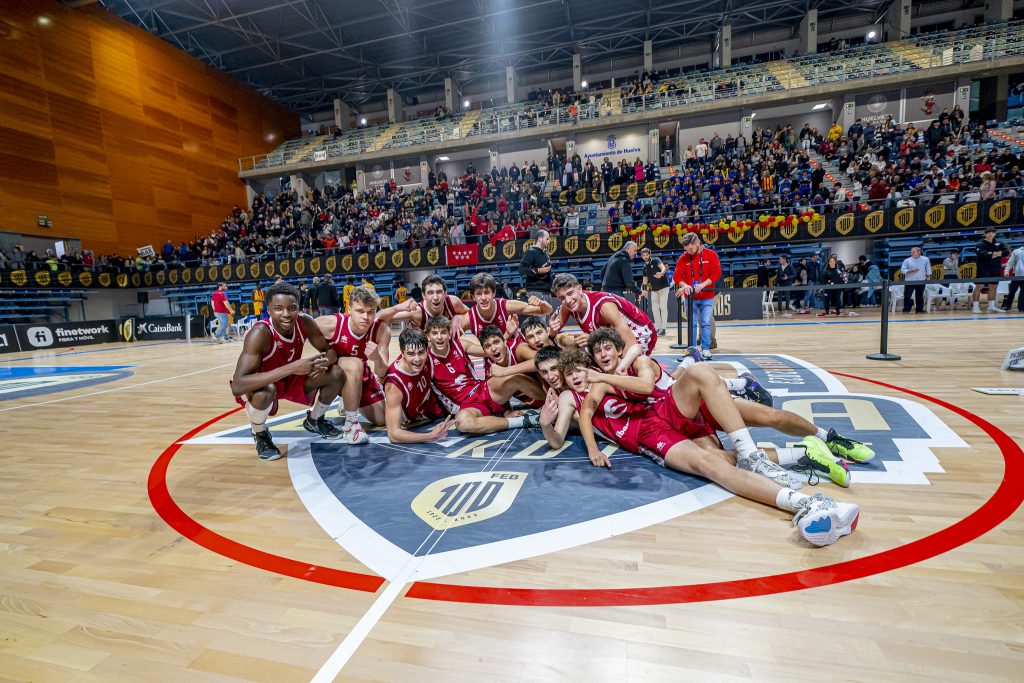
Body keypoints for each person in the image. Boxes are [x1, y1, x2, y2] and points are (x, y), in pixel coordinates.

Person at [551, 348, 860, 547]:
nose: (578, 376)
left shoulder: (622, 370)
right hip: (652, 430)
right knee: (714, 463)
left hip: (672, 405)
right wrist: (576, 440)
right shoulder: (580, 395)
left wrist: (603, 371)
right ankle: (806, 495)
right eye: (570, 374)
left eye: (581, 369)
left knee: (766, 413)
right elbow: (584, 414)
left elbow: (643, 380)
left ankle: (821, 438)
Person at [229, 282, 345, 460]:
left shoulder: (305, 322)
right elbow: (237, 385)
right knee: (265, 392)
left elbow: (329, 351)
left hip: (292, 379)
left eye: (292, 308)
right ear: (268, 309)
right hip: (262, 385)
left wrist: (325, 361)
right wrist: (293, 367)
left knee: (336, 373)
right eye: (278, 308)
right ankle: (260, 434)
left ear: (298, 307)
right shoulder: (260, 333)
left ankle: (315, 420)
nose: (286, 314)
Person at [424, 315, 544, 434]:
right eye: (434, 333)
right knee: (462, 424)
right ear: (428, 336)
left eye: (443, 332)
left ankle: (555, 401)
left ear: (449, 334)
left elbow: (488, 350)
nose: (439, 337)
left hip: (482, 389)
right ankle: (523, 421)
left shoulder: (460, 344)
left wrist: (506, 334)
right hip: (466, 405)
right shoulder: (424, 358)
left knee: (514, 378)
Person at [316, 285, 391, 443]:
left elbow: (383, 372)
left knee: (383, 419)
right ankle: (351, 424)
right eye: (360, 311)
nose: (366, 317)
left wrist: (376, 358)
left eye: (371, 312)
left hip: (359, 376)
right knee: (355, 363)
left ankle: (348, 398)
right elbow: (297, 334)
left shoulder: (381, 330)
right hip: (332, 375)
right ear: (349, 309)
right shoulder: (329, 324)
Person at [550, 273, 657, 366]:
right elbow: (552, 335)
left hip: (640, 333)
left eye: (570, 293)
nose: (568, 300)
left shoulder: (604, 306)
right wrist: (553, 329)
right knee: (562, 339)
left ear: (579, 289)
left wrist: (619, 368)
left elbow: (631, 343)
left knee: (624, 365)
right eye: (562, 297)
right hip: (610, 336)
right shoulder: (567, 306)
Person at [383, 328, 453, 444]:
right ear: (402, 353)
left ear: (426, 349)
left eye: (421, 352)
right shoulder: (394, 385)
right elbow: (394, 434)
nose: (417, 359)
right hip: (416, 419)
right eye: (410, 354)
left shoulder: (424, 353)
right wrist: (430, 436)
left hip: (434, 408)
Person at [672, 233, 719, 359]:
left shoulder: (711, 254)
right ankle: (692, 349)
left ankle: (706, 349)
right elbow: (676, 277)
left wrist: (703, 285)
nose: (689, 252)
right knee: (691, 324)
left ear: (697, 243)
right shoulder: (683, 258)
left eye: (690, 249)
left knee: (705, 322)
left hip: (707, 296)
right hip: (691, 298)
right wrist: (684, 285)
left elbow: (716, 274)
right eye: (686, 250)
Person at [462, 273, 552, 337]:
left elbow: (546, 310)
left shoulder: (506, 306)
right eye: (478, 294)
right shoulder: (470, 317)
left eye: (487, 292)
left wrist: (541, 303)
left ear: (494, 293)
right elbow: (451, 339)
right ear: (473, 297)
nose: (483, 297)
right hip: (492, 358)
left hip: (515, 351)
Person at [388, 274, 470, 334]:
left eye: (439, 292)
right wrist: (397, 308)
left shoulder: (453, 302)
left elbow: (473, 314)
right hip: (422, 353)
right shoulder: (416, 311)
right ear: (423, 295)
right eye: (430, 293)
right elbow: (379, 318)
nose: (435, 297)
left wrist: (458, 317)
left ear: (445, 293)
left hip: (449, 348)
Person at [973, 228, 1009, 313]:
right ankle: (975, 307)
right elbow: (983, 255)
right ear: (985, 234)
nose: (991, 234)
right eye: (988, 233)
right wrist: (998, 253)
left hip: (995, 268)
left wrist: (992, 253)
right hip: (983, 268)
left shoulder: (1000, 243)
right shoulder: (980, 244)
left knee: (993, 287)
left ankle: (991, 306)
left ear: (995, 234)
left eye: (993, 232)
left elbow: (1006, 252)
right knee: (979, 287)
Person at [519, 229, 556, 309]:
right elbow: (522, 269)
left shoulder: (545, 253)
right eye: (547, 239)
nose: (549, 241)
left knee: (546, 319)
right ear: (540, 239)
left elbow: (548, 272)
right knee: (540, 319)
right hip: (536, 291)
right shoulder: (531, 252)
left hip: (546, 291)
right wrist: (538, 270)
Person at [640, 247, 670, 335]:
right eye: (644, 255)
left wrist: (661, 273)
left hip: (664, 287)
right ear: (642, 256)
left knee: (663, 307)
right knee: (654, 308)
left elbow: (663, 268)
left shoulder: (656, 260)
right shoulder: (644, 268)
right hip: (654, 289)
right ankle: (658, 327)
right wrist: (644, 291)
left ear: (649, 254)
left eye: (647, 255)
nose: (645, 257)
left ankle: (663, 328)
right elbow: (645, 281)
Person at [900, 246, 930, 314]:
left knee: (920, 295)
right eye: (912, 252)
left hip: (921, 280)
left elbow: (928, 268)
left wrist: (928, 275)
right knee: (907, 295)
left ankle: (919, 310)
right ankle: (906, 309)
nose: (912, 253)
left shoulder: (925, 259)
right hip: (910, 280)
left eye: (914, 252)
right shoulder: (907, 260)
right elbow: (902, 270)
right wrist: (910, 271)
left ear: (919, 252)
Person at [1004, 244, 1024, 313]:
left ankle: (1021, 308)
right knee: (1012, 291)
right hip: (1016, 275)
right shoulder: (1016, 251)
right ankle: (1008, 305)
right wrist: (1006, 271)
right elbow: (1010, 262)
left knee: (1022, 292)